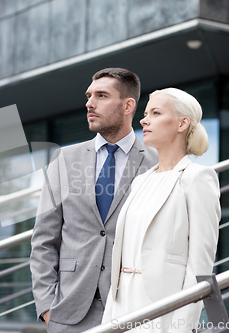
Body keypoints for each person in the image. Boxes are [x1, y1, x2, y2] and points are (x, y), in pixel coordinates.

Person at [30, 68, 158, 332]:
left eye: (101, 95)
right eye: (89, 96)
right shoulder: (65, 159)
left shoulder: (156, 162)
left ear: (128, 105)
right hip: (68, 312)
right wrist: (46, 306)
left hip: (135, 309)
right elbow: (43, 239)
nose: (90, 103)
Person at [102, 88, 221, 332]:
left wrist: (182, 325)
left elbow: (200, 264)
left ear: (182, 123)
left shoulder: (198, 177)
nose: (144, 120)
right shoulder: (141, 181)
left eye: (156, 113)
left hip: (163, 308)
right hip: (122, 302)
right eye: (145, 113)